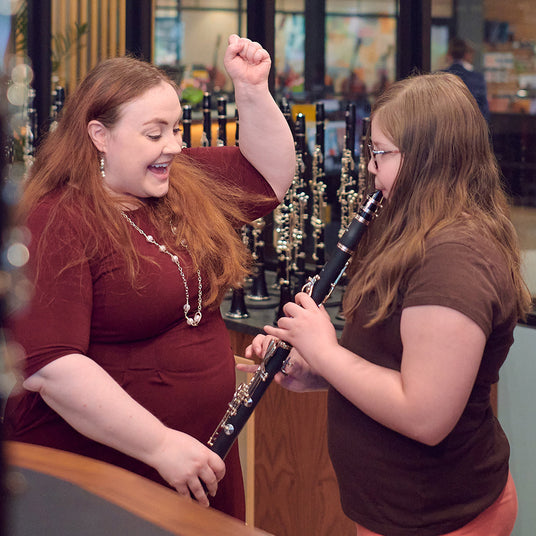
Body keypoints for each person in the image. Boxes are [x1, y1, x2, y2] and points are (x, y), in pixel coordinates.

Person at [4, 34, 295, 520]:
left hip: (196, 462)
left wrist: (252, 90)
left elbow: (268, 178)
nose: (174, 146)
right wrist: (160, 444)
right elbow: (52, 366)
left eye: (176, 130)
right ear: (100, 135)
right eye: (155, 133)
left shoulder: (175, 179)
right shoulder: (57, 218)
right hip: (105, 477)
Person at [243, 72, 532, 535]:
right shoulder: (417, 233)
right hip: (400, 514)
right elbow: (395, 365)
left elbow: (424, 414)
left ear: (427, 158)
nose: (372, 168)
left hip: (439, 517)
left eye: (381, 153)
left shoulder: (454, 259)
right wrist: (318, 372)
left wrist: (326, 351)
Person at [444, 37, 490, 121]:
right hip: (471, 126)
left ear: (449, 54)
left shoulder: (440, 76)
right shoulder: (477, 78)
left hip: (444, 127)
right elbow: (484, 110)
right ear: (466, 54)